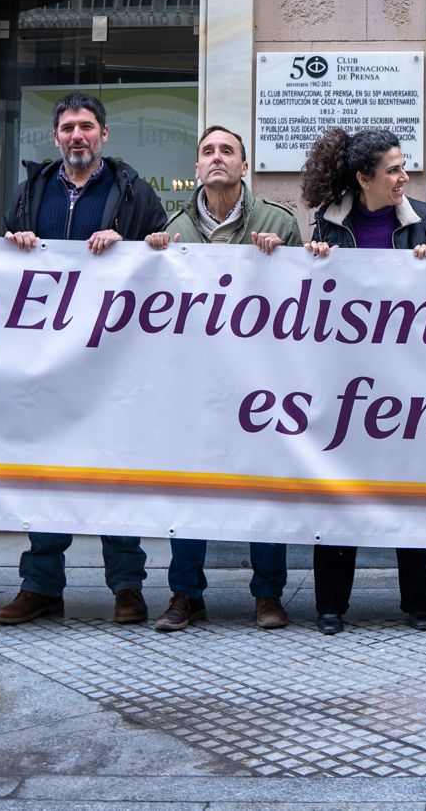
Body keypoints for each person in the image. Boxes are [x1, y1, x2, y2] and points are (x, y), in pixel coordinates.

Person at [0, 91, 168, 625]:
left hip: (114, 360)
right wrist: (15, 240)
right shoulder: (31, 191)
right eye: (68, 127)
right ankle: (41, 585)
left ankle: (127, 587)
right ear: (55, 137)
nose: (77, 136)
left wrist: (132, 244)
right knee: (46, 471)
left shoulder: (135, 192)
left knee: (114, 470)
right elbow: (5, 262)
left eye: (86, 126)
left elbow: (163, 256)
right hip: (46, 361)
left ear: (104, 135)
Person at [145, 124, 302, 632]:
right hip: (195, 384)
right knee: (191, 485)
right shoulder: (172, 228)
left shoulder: (278, 221)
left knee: (264, 484)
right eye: (208, 151)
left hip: (261, 379)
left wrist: (284, 257)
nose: (217, 158)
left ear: (243, 165)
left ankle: (268, 594)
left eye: (227, 151)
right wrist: (150, 257)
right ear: (196, 168)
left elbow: (304, 301)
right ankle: (185, 594)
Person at [301, 127, 426, 635]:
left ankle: (418, 603)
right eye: (394, 170)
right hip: (347, 378)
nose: (404, 177)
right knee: (341, 488)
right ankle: (331, 605)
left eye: (404, 167)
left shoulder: (424, 223)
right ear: (365, 178)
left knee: (408, 485)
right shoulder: (330, 223)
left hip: (408, 377)